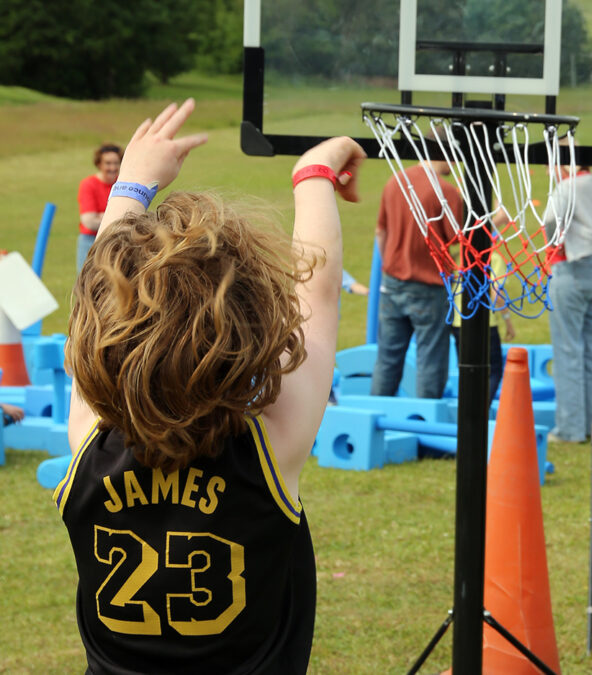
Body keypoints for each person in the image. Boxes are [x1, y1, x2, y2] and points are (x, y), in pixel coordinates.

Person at [55, 98, 366, 674]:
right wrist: (313, 175)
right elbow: (318, 289)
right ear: (250, 328)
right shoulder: (267, 450)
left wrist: (132, 185)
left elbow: (99, 300)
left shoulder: (88, 446)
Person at [370, 147, 460, 399]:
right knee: (431, 359)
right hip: (429, 287)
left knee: (387, 357)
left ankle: (377, 418)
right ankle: (424, 421)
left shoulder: (395, 181)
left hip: (392, 282)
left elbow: (381, 231)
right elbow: (458, 238)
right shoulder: (446, 192)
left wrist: (389, 263)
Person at [544, 160, 592, 443]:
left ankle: (569, 429)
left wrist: (554, 245)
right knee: (591, 352)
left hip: (572, 268)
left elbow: (549, 220)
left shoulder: (566, 188)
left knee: (567, 352)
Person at [450, 247, 517, 407]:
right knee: (493, 370)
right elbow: (496, 293)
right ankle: (480, 410)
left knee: (466, 370)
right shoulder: (494, 258)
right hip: (485, 323)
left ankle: (467, 409)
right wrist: (508, 321)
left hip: (458, 321)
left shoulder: (460, 256)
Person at [76, 143, 123, 273]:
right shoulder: (89, 184)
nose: (112, 167)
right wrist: (118, 217)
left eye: (116, 163)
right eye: (108, 163)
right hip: (91, 241)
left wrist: (102, 216)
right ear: (99, 164)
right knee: (88, 282)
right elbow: (89, 222)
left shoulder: (123, 184)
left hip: (118, 239)